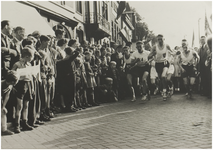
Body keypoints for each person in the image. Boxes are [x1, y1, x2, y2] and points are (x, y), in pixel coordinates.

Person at [12, 47, 35, 133]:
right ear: (26, 56)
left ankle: (25, 122)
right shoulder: (17, 64)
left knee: (26, 105)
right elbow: (12, 75)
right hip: (20, 85)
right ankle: (17, 125)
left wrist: (32, 87)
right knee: (19, 106)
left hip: (28, 84)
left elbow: (31, 77)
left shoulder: (29, 65)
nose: (32, 59)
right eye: (31, 57)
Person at [148, 34, 172, 101]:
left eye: (161, 39)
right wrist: (152, 54)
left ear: (164, 39)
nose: (160, 41)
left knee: (163, 76)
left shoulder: (167, 46)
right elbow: (149, 56)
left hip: (165, 63)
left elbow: (172, 52)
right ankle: (168, 88)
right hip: (157, 64)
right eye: (158, 39)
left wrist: (175, 53)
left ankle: (164, 92)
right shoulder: (154, 47)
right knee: (161, 79)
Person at [56, 47, 79, 112]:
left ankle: (70, 105)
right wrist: (74, 50)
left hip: (67, 77)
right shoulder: (68, 59)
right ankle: (69, 106)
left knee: (70, 92)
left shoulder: (64, 60)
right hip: (69, 78)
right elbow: (77, 53)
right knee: (71, 92)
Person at [1, 71, 19, 135]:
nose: (17, 82)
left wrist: (3, 107)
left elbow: (7, 96)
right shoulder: (1, 84)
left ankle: (4, 129)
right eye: (16, 81)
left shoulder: (10, 86)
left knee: (3, 112)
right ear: (12, 81)